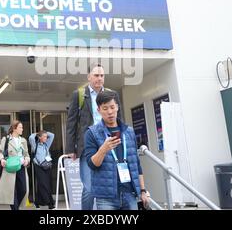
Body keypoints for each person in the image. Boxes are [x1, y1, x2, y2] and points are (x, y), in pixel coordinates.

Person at [65, 63, 123, 210]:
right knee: (89, 188)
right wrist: (71, 148)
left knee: (112, 182)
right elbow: (71, 123)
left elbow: (119, 119)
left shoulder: (112, 95)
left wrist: (121, 141)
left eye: (102, 75)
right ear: (89, 77)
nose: (99, 78)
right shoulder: (78, 95)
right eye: (96, 75)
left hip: (111, 144)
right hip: (88, 146)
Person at [83, 90, 150, 210]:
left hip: (130, 194)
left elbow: (136, 164)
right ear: (98, 110)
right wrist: (103, 149)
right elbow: (93, 165)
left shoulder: (129, 132)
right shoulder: (91, 133)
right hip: (106, 198)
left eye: (112, 107)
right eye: (105, 108)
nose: (109, 112)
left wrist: (143, 191)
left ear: (117, 107)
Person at [0, 120, 30, 210]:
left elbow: (26, 154)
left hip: (21, 167)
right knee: (11, 191)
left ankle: (16, 206)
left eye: (22, 127)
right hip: (10, 167)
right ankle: (15, 208)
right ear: (14, 128)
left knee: (23, 189)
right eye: (20, 127)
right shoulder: (6, 139)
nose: (22, 129)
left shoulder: (23, 140)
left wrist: (27, 159)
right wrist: (2, 159)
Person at [29, 130, 55, 209]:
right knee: (43, 184)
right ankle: (50, 202)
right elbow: (31, 137)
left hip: (47, 166)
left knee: (46, 184)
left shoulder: (46, 145)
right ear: (39, 137)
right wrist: (37, 133)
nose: (46, 138)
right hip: (39, 167)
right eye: (43, 136)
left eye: (46, 137)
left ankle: (37, 202)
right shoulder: (35, 145)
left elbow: (52, 135)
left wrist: (45, 132)